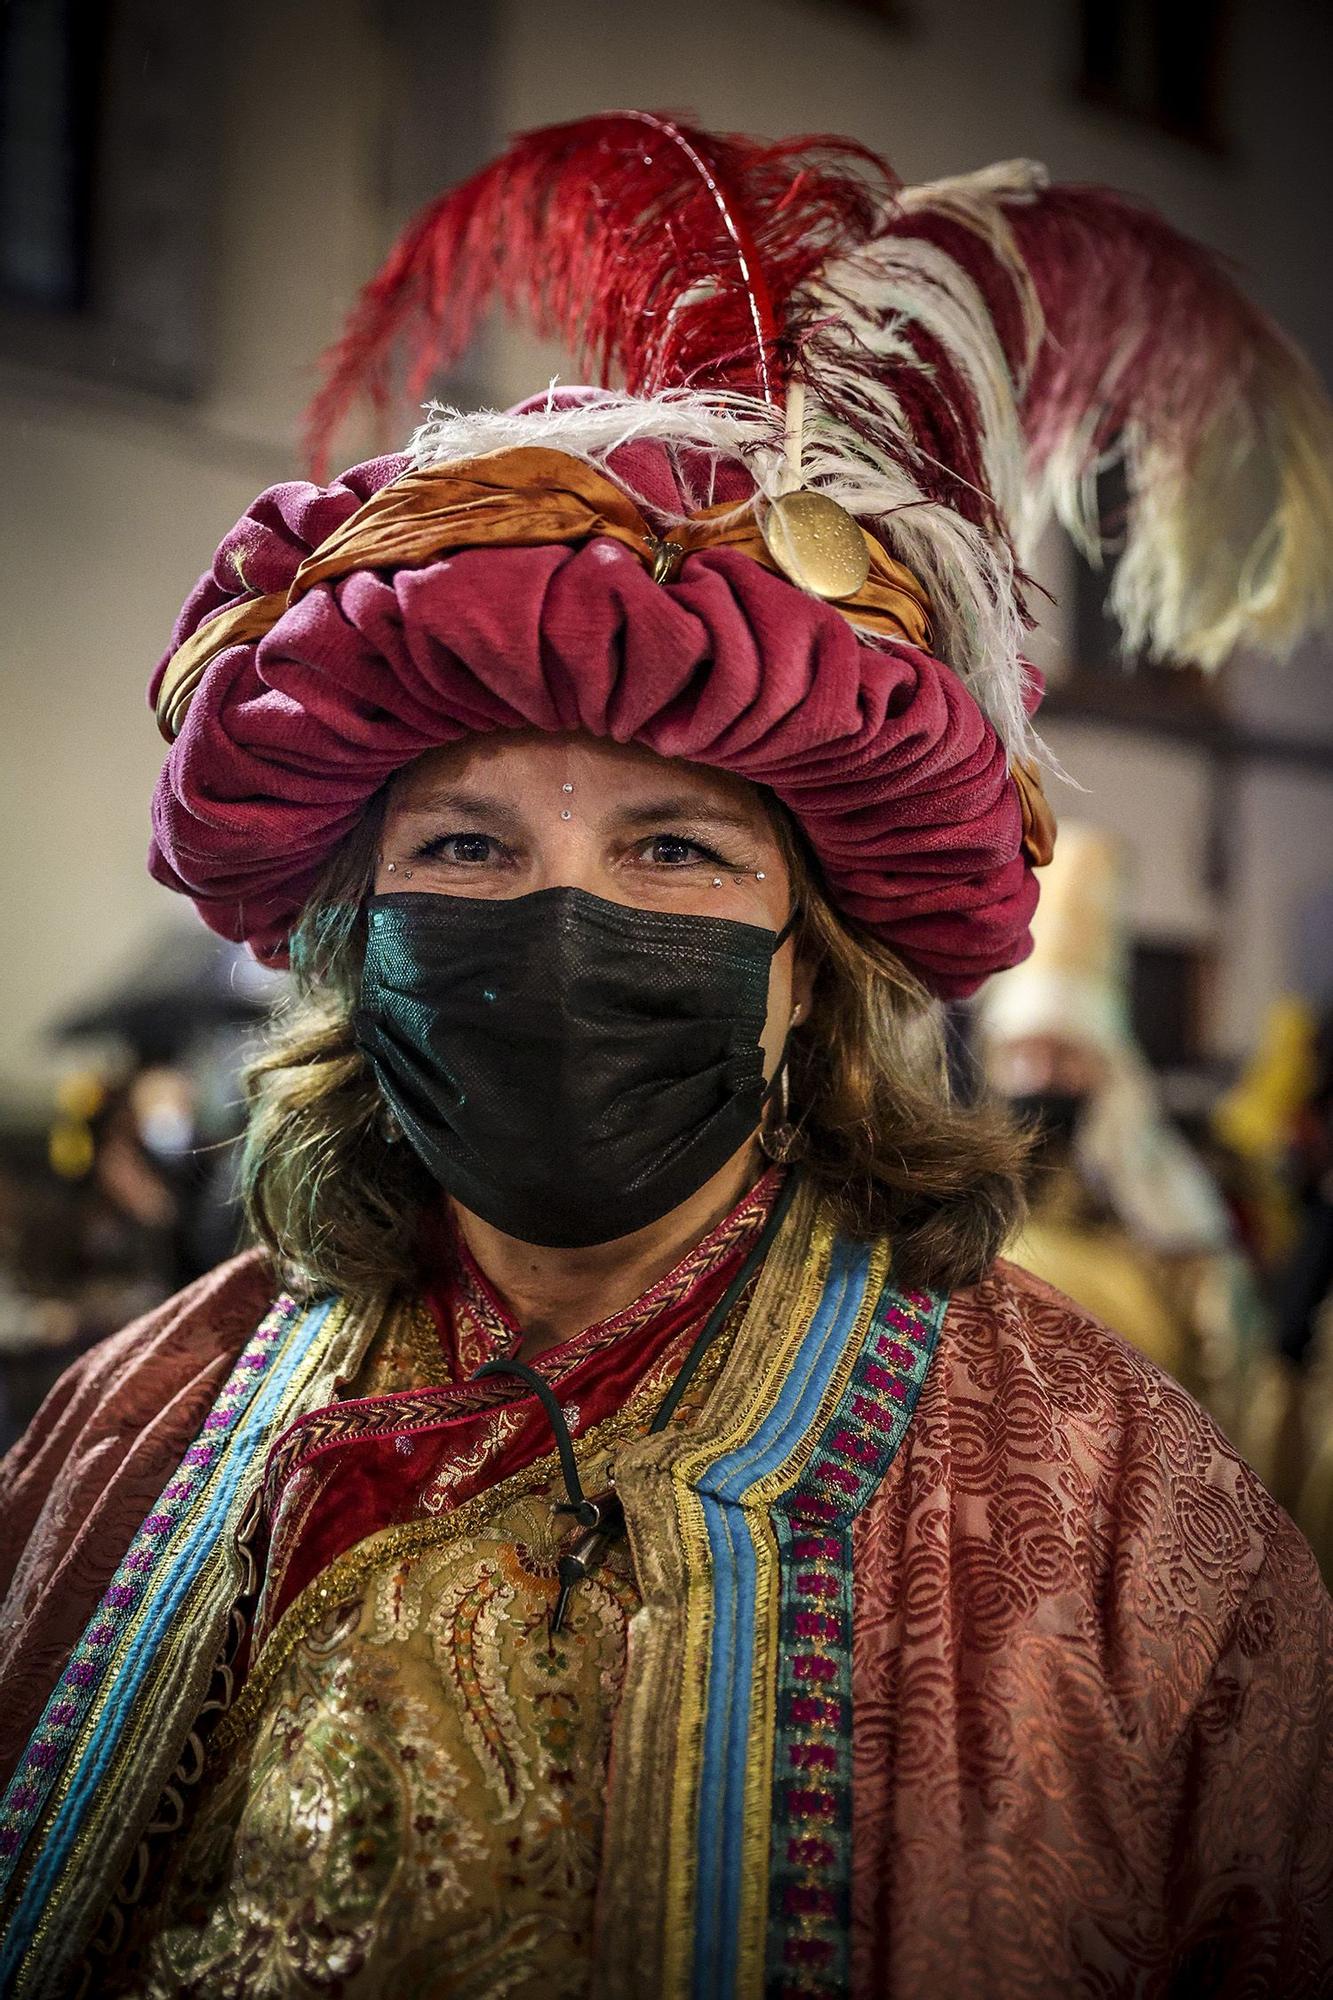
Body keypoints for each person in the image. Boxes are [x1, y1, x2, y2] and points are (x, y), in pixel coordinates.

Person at [1, 113, 1331, 1999]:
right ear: (351, 944)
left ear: (806, 969)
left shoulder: (1106, 1523)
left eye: (672, 851)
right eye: (466, 849)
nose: (562, 924)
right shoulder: (132, 1421)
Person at [975, 823, 1275, 1465]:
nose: (1043, 1078)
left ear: (1109, 1070)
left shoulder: (1173, 1215)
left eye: (1065, 1055)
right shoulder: (946, 1196)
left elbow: (1227, 1376)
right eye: (1024, 1053)